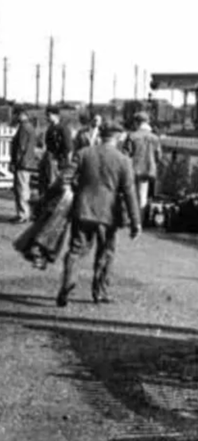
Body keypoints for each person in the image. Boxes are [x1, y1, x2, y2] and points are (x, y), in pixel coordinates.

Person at [56, 122, 141, 307]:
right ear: (118, 138)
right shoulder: (123, 160)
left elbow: (65, 177)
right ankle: (100, 292)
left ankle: (68, 282)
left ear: (101, 135)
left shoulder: (84, 153)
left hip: (83, 209)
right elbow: (129, 192)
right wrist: (136, 222)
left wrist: (74, 189)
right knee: (106, 252)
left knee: (76, 250)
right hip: (108, 214)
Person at [123, 111, 163, 222]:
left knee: (131, 194)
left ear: (137, 122)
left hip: (133, 169)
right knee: (143, 195)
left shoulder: (132, 136)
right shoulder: (155, 138)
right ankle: (140, 219)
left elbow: (125, 155)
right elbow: (158, 156)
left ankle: (132, 218)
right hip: (148, 170)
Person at [9, 108, 40, 223]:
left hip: (22, 163)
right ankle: (24, 213)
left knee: (21, 189)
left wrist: (14, 162)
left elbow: (21, 147)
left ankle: (23, 214)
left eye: (16, 114)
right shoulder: (30, 127)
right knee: (24, 188)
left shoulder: (23, 128)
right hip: (28, 162)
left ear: (21, 115)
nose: (15, 117)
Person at [40, 106, 75, 190]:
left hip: (58, 161)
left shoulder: (63, 129)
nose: (47, 118)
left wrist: (67, 164)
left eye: (49, 115)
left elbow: (68, 147)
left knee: (54, 185)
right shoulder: (50, 128)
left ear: (55, 115)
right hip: (50, 160)